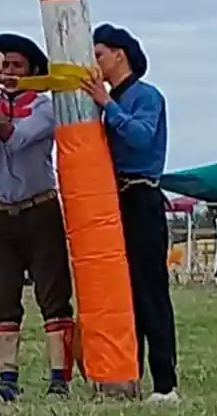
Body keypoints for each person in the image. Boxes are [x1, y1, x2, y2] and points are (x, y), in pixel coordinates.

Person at [79, 23, 180, 404]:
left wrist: (108, 105)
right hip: (112, 200)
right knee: (119, 291)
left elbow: (140, 137)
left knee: (150, 290)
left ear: (120, 55)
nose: (95, 62)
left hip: (141, 197)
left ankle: (165, 383)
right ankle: (125, 374)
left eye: (99, 54)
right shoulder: (106, 101)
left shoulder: (146, 97)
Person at [0, 32, 78, 404]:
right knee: (2, 299)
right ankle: (7, 380)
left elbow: (13, 139)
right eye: (2, 64)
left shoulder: (46, 108)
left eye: (16, 65)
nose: (7, 72)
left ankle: (59, 380)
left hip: (40, 209)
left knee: (53, 296)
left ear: (33, 70)